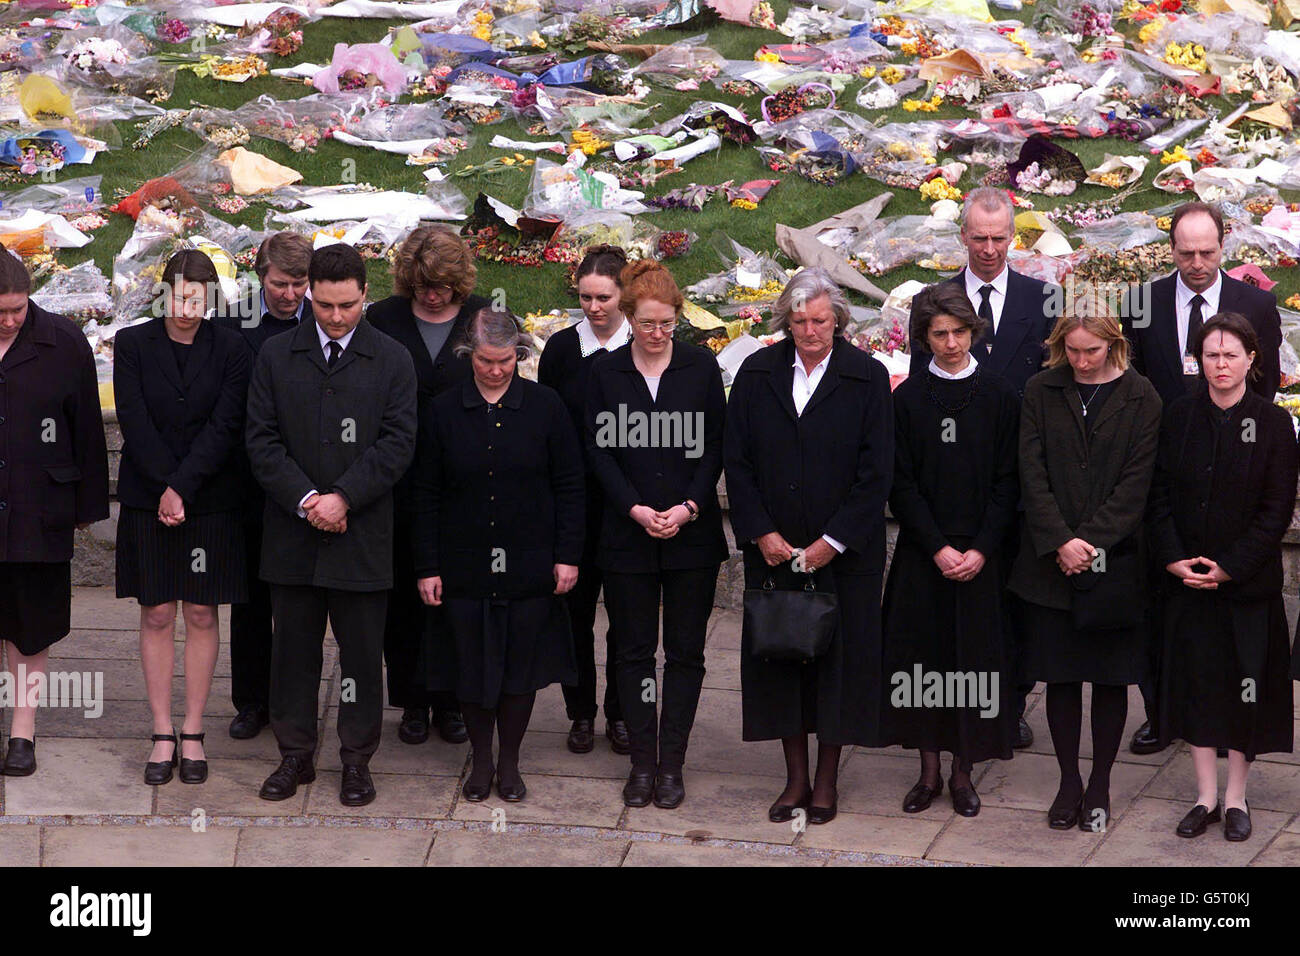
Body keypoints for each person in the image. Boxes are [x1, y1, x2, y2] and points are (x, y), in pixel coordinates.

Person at [245, 243, 417, 807]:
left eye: (346, 306)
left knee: (362, 656)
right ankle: (295, 755)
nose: (336, 317)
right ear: (310, 296)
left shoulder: (392, 359)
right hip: (292, 535)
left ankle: (356, 760)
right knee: (292, 651)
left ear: (365, 295)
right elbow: (261, 440)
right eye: (323, 306)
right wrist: (306, 500)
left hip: (362, 537)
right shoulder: (275, 354)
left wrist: (343, 498)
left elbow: (398, 443)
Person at [725, 268, 894, 825]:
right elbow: (738, 460)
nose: (810, 330)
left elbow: (877, 473)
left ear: (838, 319)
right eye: (798, 321)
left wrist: (833, 541)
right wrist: (761, 531)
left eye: (819, 320)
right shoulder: (757, 371)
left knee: (838, 665)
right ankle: (794, 777)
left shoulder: (866, 376)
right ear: (785, 321)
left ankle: (826, 779)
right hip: (774, 550)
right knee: (782, 659)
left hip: (844, 555)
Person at [1124, 200, 1284, 756]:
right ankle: (1161, 711)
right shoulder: (1141, 304)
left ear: (1225, 246)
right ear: (1170, 248)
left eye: (1207, 252)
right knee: (1160, 598)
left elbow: (1262, 392)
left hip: (1236, 474)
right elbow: (1135, 386)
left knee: (1223, 610)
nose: (1196, 262)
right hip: (1167, 468)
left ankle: (1226, 721)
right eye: (1185, 252)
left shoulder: (1257, 306)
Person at [411, 308, 585, 802]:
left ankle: (509, 761)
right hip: (462, 562)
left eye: (505, 361)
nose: (495, 370)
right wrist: (427, 565)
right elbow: (424, 492)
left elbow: (569, 484)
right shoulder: (443, 412)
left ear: (519, 356)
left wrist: (567, 555)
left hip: (529, 562)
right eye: (486, 361)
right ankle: (481, 760)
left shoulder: (546, 407)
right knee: (470, 667)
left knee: (519, 669)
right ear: (470, 356)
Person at [908, 186, 1056, 751]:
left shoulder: (1043, 298)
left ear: (1012, 237)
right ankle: (947, 710)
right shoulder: (933, 300)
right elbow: (924, 389)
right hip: (952, 476)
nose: (990, 249)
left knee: (1014, 598)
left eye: (1000, 238)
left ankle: (1011, 703)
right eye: (979, 238)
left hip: (1020, 474)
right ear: (962, 236)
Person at [1010, 301, 1161, 832]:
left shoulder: (1142, 397)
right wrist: (1059, 542)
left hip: (1113, 565)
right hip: (1052, 566)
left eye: (1091, 351)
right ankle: (1068, 781)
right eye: (1071, 350)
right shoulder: (1040, 390)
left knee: (1110, 680)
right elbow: (1032, 472)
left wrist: (1089, 543)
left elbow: (1136, 486)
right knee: (1062, 679)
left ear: (1113, 344)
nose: (1081, 361)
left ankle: (1100, 783)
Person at [1149, 313, 1297, 842]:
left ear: (1251, 360)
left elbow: (1275, 510)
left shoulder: (1274, 425)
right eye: (1210, 355)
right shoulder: (1180, 416)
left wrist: (1230, 567)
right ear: (1198, 360)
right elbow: (1159, 493)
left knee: (1244, 691)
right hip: (1187, 582)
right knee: (1197, 686)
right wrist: (1173, 557)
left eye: (1231, 355)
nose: (1220, 365)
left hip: (1245, 589)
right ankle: (1204, 796)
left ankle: (1236, 798)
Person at [586, 260, 727, 810]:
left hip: (691, 535)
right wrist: (635, 508)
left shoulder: (699, 367)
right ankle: (642, 762)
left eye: (667, 323)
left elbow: (715, 443)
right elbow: (598, 449)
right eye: (647, 323)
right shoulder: (606, 373)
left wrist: (691, 505)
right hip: (629, 534)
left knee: (686, 654)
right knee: (634, 652)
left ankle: (673, 763)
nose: (657, 333)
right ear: (629, 317)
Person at [114, 250, 251, 786]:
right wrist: (165, 488)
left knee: (199, 611)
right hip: (149, 496)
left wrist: (183, 487)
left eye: (197, 297)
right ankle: (162, 729)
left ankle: (193, 728)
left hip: (210, 499)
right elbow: (133, 418)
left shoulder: (233, 348)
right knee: (155, 612)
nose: (186, 307)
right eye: (178, 295)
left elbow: (226, 424)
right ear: (164, 292)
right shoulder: (132, 344)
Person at [883, 282, 1019, 818]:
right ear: (924, 338)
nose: (951, 343)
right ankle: (929, 771)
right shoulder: (908, 399)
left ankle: (964, 773)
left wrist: (981, 548)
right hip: (925, 554)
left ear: (973, 332)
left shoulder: (1001, 396)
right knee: (924, 661)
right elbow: (902, 483)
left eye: (959, 331)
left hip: (982, 556)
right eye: (939, 334)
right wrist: (937, 547)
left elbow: (1010, 482)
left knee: (974, 662)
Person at [367, 225, 487, 749]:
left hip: (465, 484)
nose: (431, 296)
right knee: (404, 599)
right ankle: (413, 701)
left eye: (440, 287)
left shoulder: (482, 318)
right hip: (399, 481)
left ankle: (454, 702)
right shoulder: (384, 320)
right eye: (421, 288)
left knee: (459, 595)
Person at [0, 250, 109, 776]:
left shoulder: (62, 341)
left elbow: (87, 429)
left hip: (38, 507)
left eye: (17, 309)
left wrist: (87, 506)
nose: (9, 320)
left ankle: (23, 731)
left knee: (31, 624)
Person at [215, 231, 315, 740]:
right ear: (260, 276)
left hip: (306, 487)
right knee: (250, 603)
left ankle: (294, 702)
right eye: (280, 284)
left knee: (298, 607)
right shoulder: (232, 327)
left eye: (300, 284)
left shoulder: (324, 323)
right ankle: (251, 701)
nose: (290, 294)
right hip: (249, 488)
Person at [537, 245, 632, 757]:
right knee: (573, 615)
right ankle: (580, 712)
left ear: (624, 295)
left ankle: (620, 712)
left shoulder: (643, 344)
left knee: (625, 618)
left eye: (603, 297)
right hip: (573, 504)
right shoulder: (560, 350)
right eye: (585, 298)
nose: (594, 308)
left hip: (626, 507)